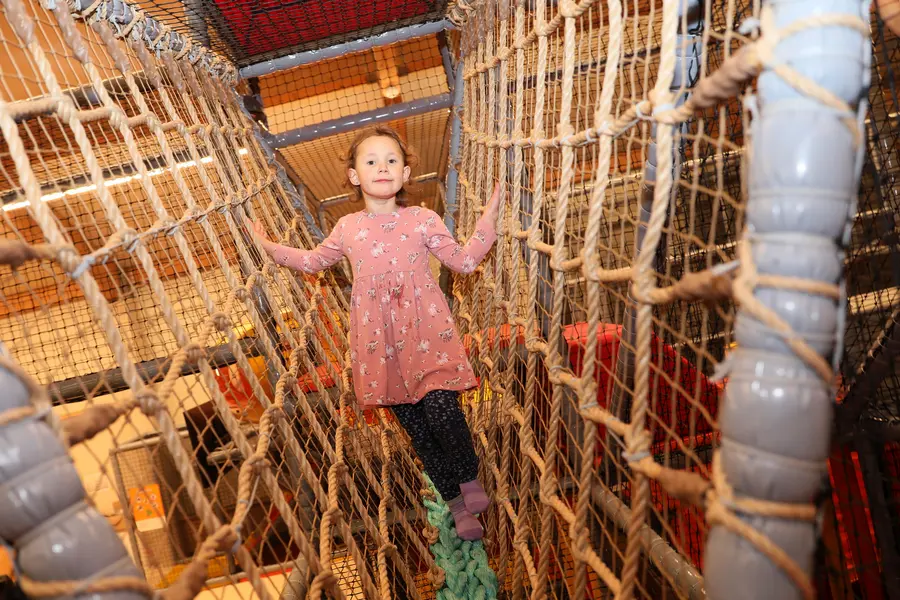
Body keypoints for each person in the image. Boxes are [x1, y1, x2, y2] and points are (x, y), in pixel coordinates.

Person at [248, 125, 502, 541]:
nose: (382, 167)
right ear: (354, 175)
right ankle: (458, 508)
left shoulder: (422, 219)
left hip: (426, 334)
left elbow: (463, 262)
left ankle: (469, 478)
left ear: (405, 174)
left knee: (443, 411)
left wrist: (487, 223)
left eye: (391, 160)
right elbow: (313, 261)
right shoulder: (348, 227)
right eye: (371, 161)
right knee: (420, 433)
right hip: (380, 345)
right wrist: (267, 246)